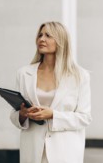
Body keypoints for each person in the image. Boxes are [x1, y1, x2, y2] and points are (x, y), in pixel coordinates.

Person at [10, 21, 92, 163]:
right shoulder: (24, 73)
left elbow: (84, 118)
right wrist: (22, 115)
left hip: (65, 151)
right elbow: (14, 115)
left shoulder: (79, 76)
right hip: (33, 150)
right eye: (40, 35)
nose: (41, 39)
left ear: (61, 41)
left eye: (48, 35)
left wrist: (53, 115)